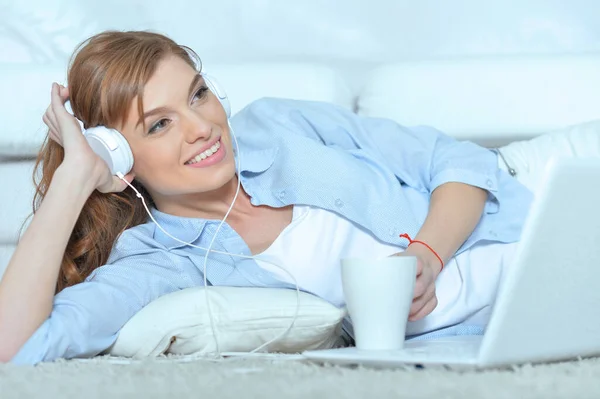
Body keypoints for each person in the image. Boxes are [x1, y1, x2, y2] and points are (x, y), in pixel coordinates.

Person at [0, 30, 592, 365]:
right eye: (159, 125)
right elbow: (18, 348)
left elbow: (460, 162)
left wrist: (428, 256)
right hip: (498, 334)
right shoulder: (159, 261)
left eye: (199, 94)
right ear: (119, 158)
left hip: (537, 230)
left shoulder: (278, 125)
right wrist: (74, 178)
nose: (202, 126)